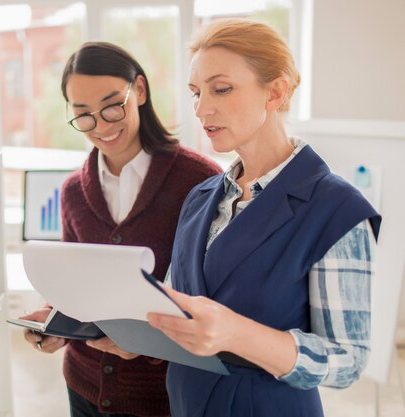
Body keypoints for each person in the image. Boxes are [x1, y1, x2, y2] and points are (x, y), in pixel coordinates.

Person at [146, 18, 382, 417]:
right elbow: (177, 306)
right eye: (196, 92)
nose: (202, 108)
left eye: (221, 89)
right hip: (187, 402)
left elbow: (348, 361)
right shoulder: (200, 198)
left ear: (276, 92)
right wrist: (118, 329)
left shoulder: (337, 209)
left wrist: (239, 334)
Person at [20, 41, 221, 417]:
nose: (102, 127)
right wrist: (53, 324)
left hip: (160, 396)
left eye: (113, 105)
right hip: (83, 385)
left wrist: (148, 342)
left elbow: (215, 303)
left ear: (140, 91)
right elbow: (75, 287)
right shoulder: (73, 192)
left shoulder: (200, 181)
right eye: (84, 115)